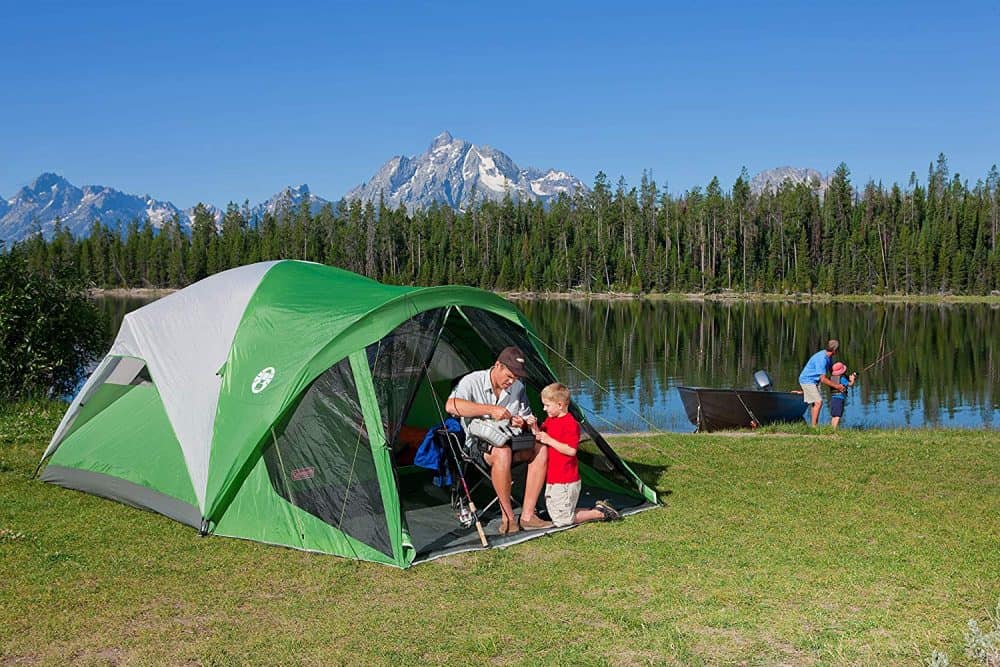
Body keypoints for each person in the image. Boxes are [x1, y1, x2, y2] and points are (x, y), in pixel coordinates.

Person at [445, 346, 552, 534]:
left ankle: (528, 516)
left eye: (516, 378)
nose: (512, 382)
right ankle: (509, 518)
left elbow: (526, 417)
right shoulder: (472, 381)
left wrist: (522, 423)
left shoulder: (517, 387)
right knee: (502, 451)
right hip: (478, 446)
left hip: (510, 438)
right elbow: (451, 406)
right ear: (497, 366)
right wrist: (489, 409)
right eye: (509, 376)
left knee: (540, 447)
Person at [530, 383, 620, 527]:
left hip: (566, 480)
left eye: (547, 405)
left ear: (560, 404)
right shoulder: (550, 421)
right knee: (557, 511)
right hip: (553, 477)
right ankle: (596, 509)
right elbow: (542, 436)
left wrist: (549, 440)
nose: (544, 408)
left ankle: (599, 512)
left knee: (561, 521)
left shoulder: (570, 424)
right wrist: (534, 428)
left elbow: (571, 450)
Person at [798, 339, 845, 427]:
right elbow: (823, 379)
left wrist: (845, 378)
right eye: (837, 350)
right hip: (807, 380)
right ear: (834, 350)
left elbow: (832, 371)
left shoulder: (828, 356)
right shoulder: (822, 359)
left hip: (814, 381)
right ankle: (814, 427)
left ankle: (813, 426)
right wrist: (837, 386)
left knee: (815, 403)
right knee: (818, 402)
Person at [828, 361, 857, 430]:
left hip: (833, 399)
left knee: (834, 415)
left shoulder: (833, 377)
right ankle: (834, 430)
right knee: (838, 415)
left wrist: (848, 378)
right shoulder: (842, 378)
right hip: (839, 399)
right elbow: (850, 384)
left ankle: (831, 429)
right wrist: (852, 379)